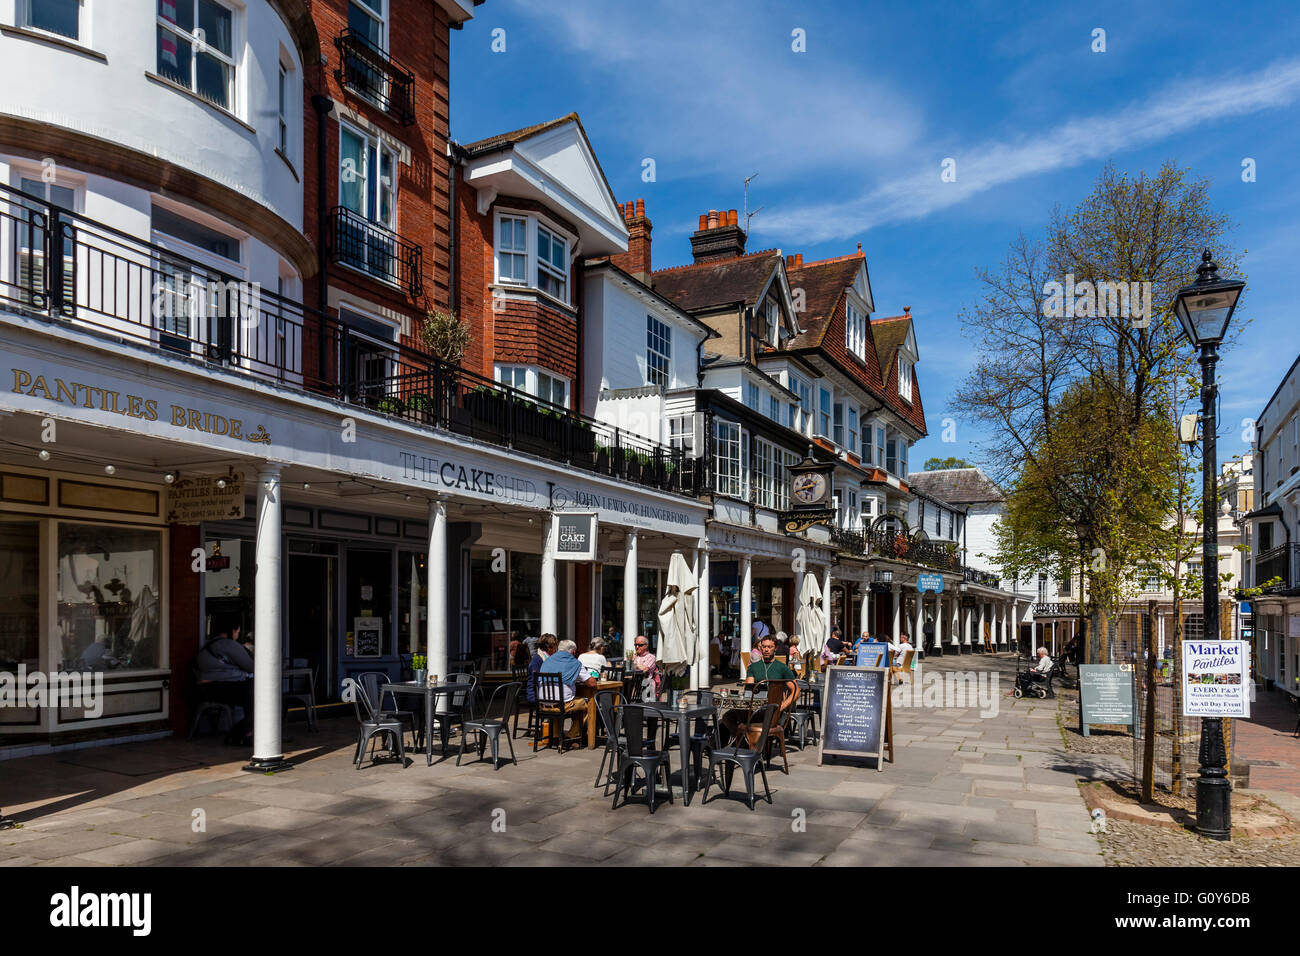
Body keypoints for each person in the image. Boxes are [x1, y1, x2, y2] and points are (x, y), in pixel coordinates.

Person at [722, 636, 798, 744]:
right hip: (754, 709)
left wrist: (782, 707)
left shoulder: (782, 668)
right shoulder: (754, 667)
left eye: (769, 647)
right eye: (764, 647)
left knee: (740, 719)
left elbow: (796, 691)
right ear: (760, 648)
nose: (766, 649)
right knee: (727, 717)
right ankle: (743, 742)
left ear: (775, 648)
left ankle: (742, 743)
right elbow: (749, 688)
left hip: (771, 712)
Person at [194, 624, 255, 745]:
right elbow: (251, 666)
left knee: (252, 693)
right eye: (238, 631)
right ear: (234, 630)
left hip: (205, 690)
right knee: (256, 694)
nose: (238, 635)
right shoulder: (228, 645)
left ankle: (245, 731)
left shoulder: (209, 645)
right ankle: (245, 732)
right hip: (220, 689)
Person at [538, 638, 595, 744]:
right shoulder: (574, 662)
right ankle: (572, 735)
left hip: (543, 704)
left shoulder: (548, 660)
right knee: (589, 705)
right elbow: (592, 683)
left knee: (557, 700)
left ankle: (555, 736)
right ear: (572, 651)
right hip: (562, 705)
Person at [525, 633, 557, 706]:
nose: (556, 649)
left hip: (547, 693)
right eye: (555, 647)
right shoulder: (538, 660)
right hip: (539, 696)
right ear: (549, 648)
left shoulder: (547, 658)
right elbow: (533, 682)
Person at [632, 635, 659, 701]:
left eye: (640, 645)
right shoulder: (634, 657)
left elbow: (644, 670)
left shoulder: (651, 657)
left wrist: (634, 664)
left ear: (646, 646)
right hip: (634, 687)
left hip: (646, 688)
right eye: (635, 645)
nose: (637, 647)